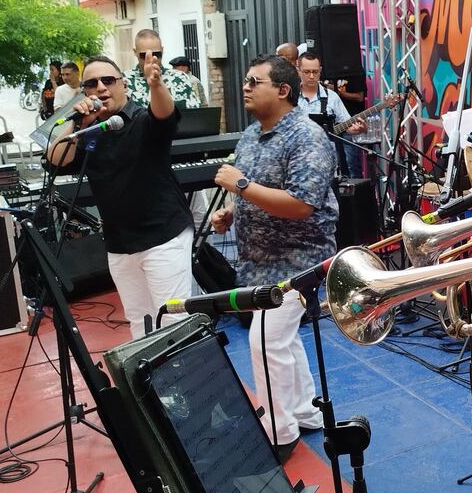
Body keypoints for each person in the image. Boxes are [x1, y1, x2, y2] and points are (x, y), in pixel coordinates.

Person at [211, 55, 336, 464]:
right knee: (281, 340)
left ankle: (278, 431)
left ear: (283, 90)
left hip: (299, 260)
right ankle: (304, 411)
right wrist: (232, 210)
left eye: (254, 81)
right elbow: (254, 192)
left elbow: (301, 205)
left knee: (265, 340)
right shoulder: (251, 135)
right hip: (258, 260)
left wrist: (241, 185)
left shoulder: (307, 137)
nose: (245, 86)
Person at [44, 55, 194, 340]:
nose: (101, 87)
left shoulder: (140, 119)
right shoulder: (91, 131)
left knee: (173, 320)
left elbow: (164, 114)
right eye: (92, 83)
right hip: (119, 243)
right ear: (85, 91)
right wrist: (77, 124)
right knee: (139, 322)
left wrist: (156, 84)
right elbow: (56, 158)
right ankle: (149, 384)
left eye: (108, 80)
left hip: (162, 236)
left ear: (123, 84)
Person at [297, 51, 363, 173]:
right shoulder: (290, 97)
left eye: (315, 72)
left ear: (320, 70)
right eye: (307, 72)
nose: (311, 76)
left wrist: (357, 129)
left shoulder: (332, 97)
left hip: (327, 164)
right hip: (297, 161)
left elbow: (347, 124)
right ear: (298, 70)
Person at [124, 29, 203, 109]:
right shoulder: (124, 81)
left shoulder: (180, 78)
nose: (152, 59)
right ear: (135, 52)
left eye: (157, 54)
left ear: (162, 50)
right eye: (144, 55)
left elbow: (194, 112)